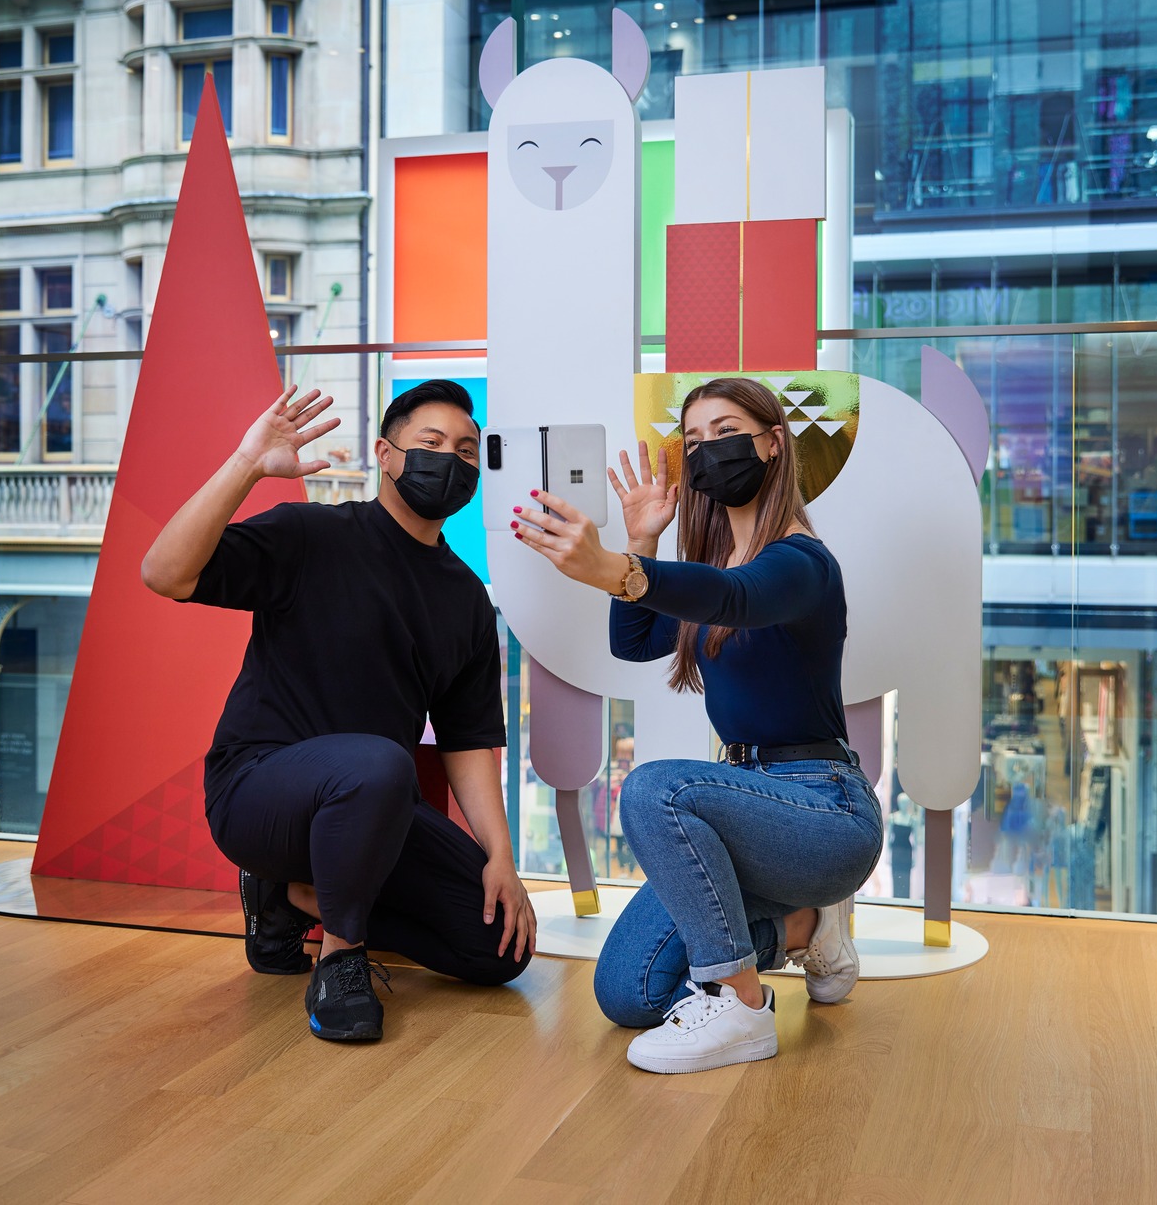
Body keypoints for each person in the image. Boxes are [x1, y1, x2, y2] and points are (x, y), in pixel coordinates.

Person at [142, 379, 535, 1043]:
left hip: (374, 808)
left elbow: (469, 741)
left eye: (467, 450)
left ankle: (294, 896)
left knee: (501, 948)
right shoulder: (312, 535)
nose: (451, 460)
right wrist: (245, 465)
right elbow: (165, 572)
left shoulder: (467, 598)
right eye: (431, 444)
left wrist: (501, 856)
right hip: (257, 791)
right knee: (379, 763)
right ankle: (341, 956)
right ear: (385, 455)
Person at [511, 376, 883, 1075]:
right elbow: (637, 642)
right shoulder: (714, 568)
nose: (710, 448)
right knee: (627, 989)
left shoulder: (802, 562)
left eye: (726, 430)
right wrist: (642, 538)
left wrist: (618, 569)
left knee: (655, 788)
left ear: (773, 443)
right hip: (746, 814)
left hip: (824, 812)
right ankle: (805, 924)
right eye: (694, 440)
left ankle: (741, 1006)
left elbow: (737, 598)